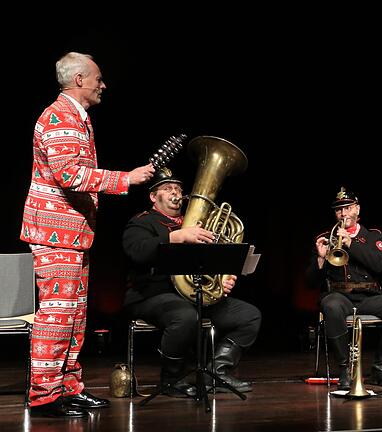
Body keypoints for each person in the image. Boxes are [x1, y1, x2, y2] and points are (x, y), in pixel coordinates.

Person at [19, 52, 155, 418]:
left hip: (73, 234)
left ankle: (68, 387)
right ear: (79, 79)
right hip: (55, 234)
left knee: (75, 316)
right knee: (57, 316)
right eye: (98, 78)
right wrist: (126, 179)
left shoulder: (79, 118)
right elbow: (70, 175)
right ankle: (44, 396)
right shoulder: (59, 116)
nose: (103, 84)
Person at [122, 168, 261, 397]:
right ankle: (172, 380)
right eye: (167, 189)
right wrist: (175, 237)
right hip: (150, 295)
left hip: (195, 294)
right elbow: (137, 252)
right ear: (153, 197)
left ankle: (215, 372)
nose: (175, 193)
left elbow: (213, 259)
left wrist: (223, 279)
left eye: (178, 188)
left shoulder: (197, 222)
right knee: (186, 316)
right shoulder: (142, 222)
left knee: (249, 315)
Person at [307, 187, 382, 393]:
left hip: (369, 296)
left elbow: (379, 265)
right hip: (340, 296)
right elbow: (310, 282)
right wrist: (320, 258)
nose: (343, 214)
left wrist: (351, 244)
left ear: (357, 209)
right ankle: (346, 369)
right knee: (331, 304)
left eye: (347, 208)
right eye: (339, 210)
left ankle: (381, 364)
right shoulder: (325, 237)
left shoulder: (372, 235)